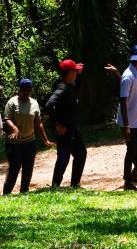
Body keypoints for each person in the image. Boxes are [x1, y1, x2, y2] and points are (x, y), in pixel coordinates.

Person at [3, 78, 52, 194]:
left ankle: (24, 191)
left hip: (30, 141)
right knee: (14, 169)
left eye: (29, 90)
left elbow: (38, 122)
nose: (27, 92)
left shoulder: (34, 103)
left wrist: (45, 139)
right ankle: (6, 193)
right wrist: (14, 128)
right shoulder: (12, 102)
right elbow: (7, 119)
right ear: (19, 90)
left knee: (28, 168)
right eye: (24, 90)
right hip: (14, 143)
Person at [46, 58, 87, 188]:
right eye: (74, 71)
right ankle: (55, 185)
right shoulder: (62, 88)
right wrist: (56, 124)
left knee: (81, 153)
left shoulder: (69, 84)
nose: (76, 73)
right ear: (69, 73)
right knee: (63, 158)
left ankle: (75, 184)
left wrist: (77, 72)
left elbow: (77, 75)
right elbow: (48, 105)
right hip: (64, 131)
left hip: (72, 128)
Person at [116, 45, 137, 190]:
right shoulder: (128, 76)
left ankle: (136, 172)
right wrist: (126, 126)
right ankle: (127, 181)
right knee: (131, 151)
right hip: (131, 122)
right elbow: (123, 101)